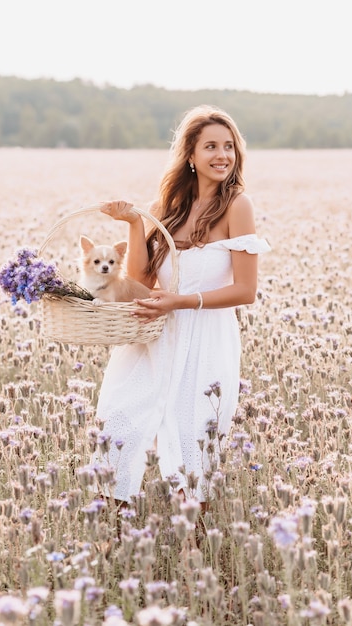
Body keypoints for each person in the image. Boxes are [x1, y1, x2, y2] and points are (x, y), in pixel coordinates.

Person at [94, 104, 270, 505]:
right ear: (190, 155)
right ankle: (113, 531)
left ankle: (192, 543)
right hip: (153, 336)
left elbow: (246, 290)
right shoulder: (164, 208)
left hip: (206, 340)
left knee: (192, 438)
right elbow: (140, 281)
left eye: (229, 146)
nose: (222, 155)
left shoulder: (237, 206)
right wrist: (136, 226)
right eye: (210, 146)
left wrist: (180, 302)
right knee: (120, 422)